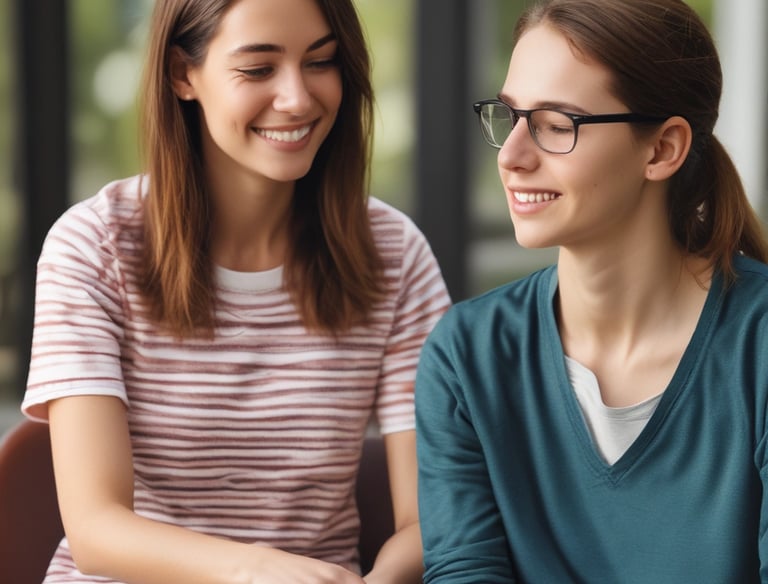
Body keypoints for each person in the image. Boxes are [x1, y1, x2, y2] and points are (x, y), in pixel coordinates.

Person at [21, 0, 450, 582]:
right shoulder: (94, 246)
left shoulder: (394, 255)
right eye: (257, 69)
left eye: (321, 62)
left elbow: (431, 519)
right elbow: (96, 530)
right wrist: (263, 572)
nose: (298, 98)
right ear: (182, 74)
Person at [415, 0, 768, 582]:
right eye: (510, 117)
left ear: (662, 149)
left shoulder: (757, 347)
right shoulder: (466, 356)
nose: (511, 156)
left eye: (557, 125)